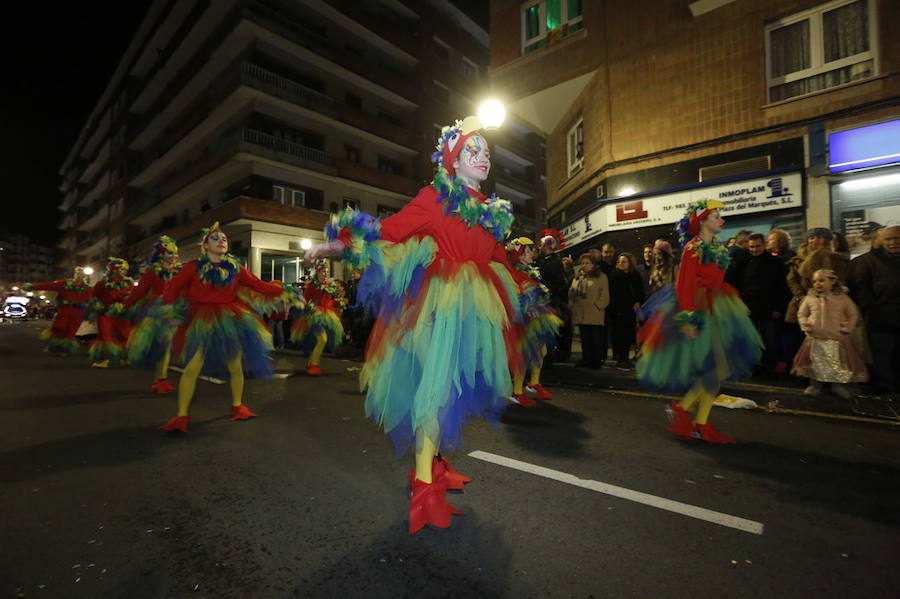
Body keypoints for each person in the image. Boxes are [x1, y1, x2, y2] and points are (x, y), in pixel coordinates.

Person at [309, 116, 524, 534]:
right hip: (439, 308)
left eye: (485, 152)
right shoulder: (433, 198)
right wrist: (338, 243)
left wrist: (523, 292)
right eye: (471, 151)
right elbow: (389, 231)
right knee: (436, 391)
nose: (482, 158)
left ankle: (436, 467)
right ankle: (424, 488)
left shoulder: (491, 212)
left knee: (451, 394)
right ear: (452, 160)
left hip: (476, 310)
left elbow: (497, 258)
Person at [637, 200, 762, 444]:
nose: (721, 220)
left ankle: (694, 417)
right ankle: (692, 416)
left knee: (718, 368)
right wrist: (688, 318)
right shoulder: (693, 248)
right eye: (715, 216)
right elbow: (684, 284)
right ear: (701, 222)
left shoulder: (717, 246)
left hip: (719, 306)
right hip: (698, 308)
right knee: (714, 368)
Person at [157, 223, 302, 433]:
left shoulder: (236, 267)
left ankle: (238, 406)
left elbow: (260, 286)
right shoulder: (193, 267)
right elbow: (172, 289)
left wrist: (288, 292)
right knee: (193, 366)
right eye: (215, 238)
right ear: (205, 245)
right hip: (202, 320)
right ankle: (181, 415)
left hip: (230, 319)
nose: (222, 241)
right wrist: (170, 313)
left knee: (235, 365)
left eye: (224, 238)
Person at [791, 269, 867, 397]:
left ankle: (837, 386)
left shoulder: (843, 298)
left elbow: (853, 314)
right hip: (816, 338)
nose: (817, 284)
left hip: (837, 338)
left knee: (838, 363)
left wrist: (848, 327)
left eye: (821, 281)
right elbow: (802, 313)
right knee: (815, 363)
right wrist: (806, 325)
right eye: (815, 281)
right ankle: (815, 385)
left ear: (833, 281)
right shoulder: (810, 298)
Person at [506, 237, 562, 406]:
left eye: (534, 250)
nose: (534, 253)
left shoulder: (531, 269)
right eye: (529, 251)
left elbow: (538, 292)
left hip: (537, 315)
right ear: (520, 254)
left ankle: (533, 383)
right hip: (522, 318)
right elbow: (513, 295)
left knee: (541, 351)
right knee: (524, 354)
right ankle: (516, 392)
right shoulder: (513, 272)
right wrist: (527, 307)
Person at [124, 235, 182, 394]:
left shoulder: (180, 272)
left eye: (176, 253)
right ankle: (159, 377)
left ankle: (161, 379)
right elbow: (139, 291)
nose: (174, 256)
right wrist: (126, 305)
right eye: (170, 253)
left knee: (167, 345)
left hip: (173, 311)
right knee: (157, 346)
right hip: (154, 313)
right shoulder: (152, 273)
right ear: (161, 254)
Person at [848, 225, 900, 396]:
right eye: (888, 239)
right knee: (882, 354)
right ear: (881, 241)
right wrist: (872, 311)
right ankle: (886, 386)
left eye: (896, 238)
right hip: (882, 318)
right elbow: (862, 289)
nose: (893, 242)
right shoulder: (868, 261)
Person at [734, 234, 790, 376]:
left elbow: (782, 287)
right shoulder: (744, 262)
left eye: (757, 246)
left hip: (769, 308)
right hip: (749, 308)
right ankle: (754, 368)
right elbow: (738, 284)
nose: (754, 249)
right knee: (751, 341)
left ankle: (769, 370)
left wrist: (778, 308)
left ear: (764, 245)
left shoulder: (776, 262)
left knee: (770, 341)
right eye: (752, 246)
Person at [290, 259, 345, 376]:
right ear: (318, 272)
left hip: (328, 316)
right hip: (314, 316)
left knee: (322, 341)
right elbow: (305, 300)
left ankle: (311, 364)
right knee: (322, 339)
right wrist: (309, 307)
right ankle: (314, 365)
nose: (325, 274)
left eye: (327, 271)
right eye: (323, 271)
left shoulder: (330, 286)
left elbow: (330, 302)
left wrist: (339, 303)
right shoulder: (312, 286)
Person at [23, 266, 92, 356]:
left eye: (80, 274)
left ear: (84, 276)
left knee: (71, 332)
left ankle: (65, 349)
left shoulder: (87, 289)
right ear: (74, 274)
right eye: (77, 273)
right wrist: (33, 286)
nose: (78, 276)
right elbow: (50, 285)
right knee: (59, 328)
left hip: (78, 313)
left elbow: (94, 299)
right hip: (64, 311)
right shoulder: (65, 283)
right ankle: (54, 346)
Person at [88, 258, 134, 368]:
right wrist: (97, 305)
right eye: (122, 269)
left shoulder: (128, 283)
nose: (124, 272)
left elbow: (133, 296)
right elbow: (94, 296)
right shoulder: (102, 283)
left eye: (125, 270)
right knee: (105, 336)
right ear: (114, 270)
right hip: (105, 313)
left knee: (126, 335)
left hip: (122, 313)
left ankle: (125, 357)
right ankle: (104, 359)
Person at [569, 253, 609, 369]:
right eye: (583, 263)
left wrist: (598, 306)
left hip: (594, 313)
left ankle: (596, 361)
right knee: (585, 339)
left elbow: (605, 295)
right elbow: (572, 291)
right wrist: (571, 303)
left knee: (595, 339)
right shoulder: (578, 277)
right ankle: (586, 359)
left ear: (593, 264)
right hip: (581, 313)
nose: (585, 265)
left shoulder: (601, 277)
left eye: (587, 263)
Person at [537, 229, 570, 362]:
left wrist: (548, 293)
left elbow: (559, 283)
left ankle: (549, 358)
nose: (539, 247)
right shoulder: (546, 260)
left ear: (547, 245)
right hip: (547, 302)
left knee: (548, 332)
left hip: (550, 303)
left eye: (541, 245)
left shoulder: (554, 262)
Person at [607, 252, 644, 369]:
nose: (621, 264)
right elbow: (615, 294)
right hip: (618, 311)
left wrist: (638, 301)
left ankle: (625, 358)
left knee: (628, 336)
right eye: (619, 261)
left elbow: (639, 291)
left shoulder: (635, 276)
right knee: (619, 335)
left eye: (624, 261)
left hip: (631, 311)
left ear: (630, 263)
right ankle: (620, 359)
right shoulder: (615, 276)